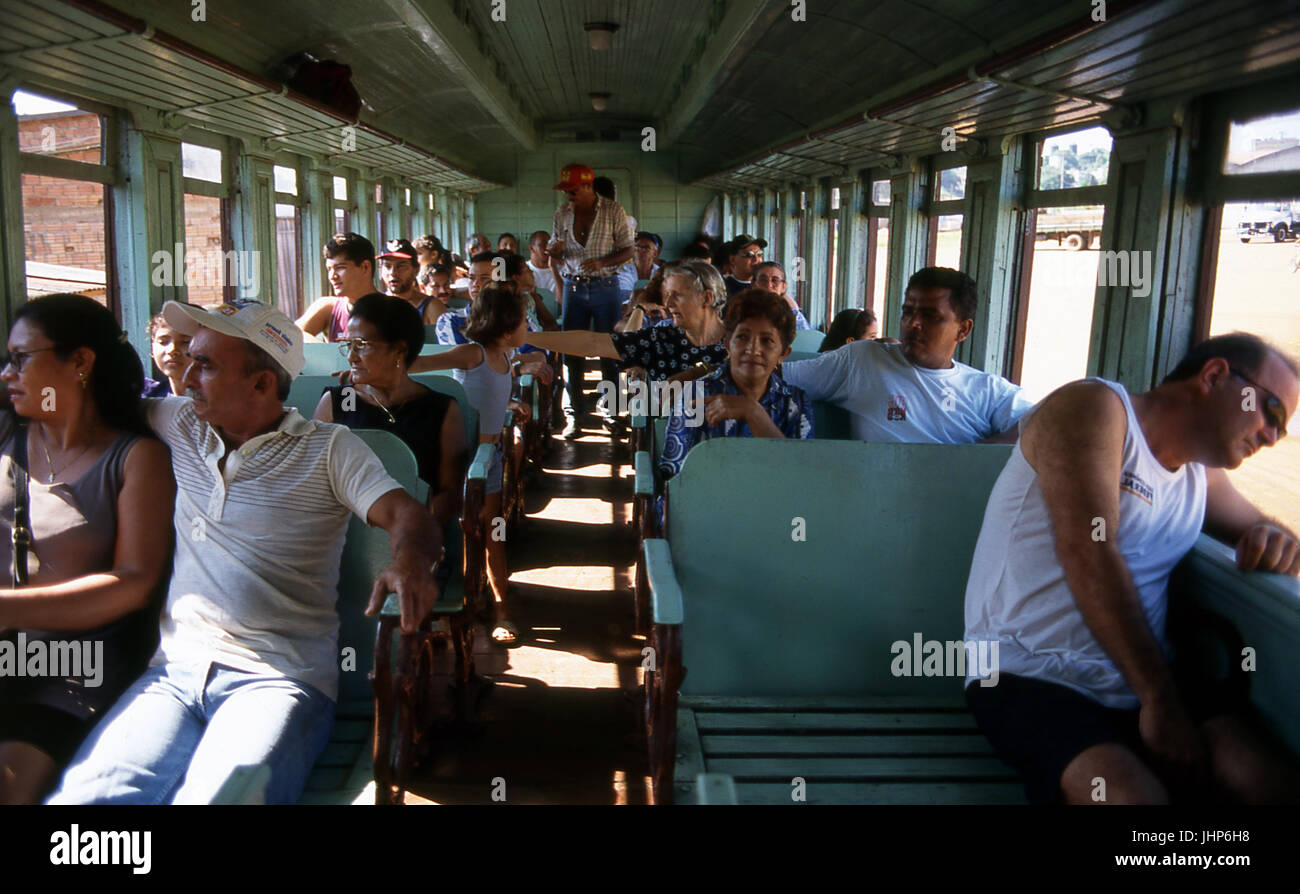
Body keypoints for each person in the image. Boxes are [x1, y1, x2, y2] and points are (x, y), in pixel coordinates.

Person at [47, 299, 442, 805]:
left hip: (278, 679)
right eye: (190, 358)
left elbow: (410, 517)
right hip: (171, 674)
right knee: (84, 802)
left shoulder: (329, 450)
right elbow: (77, 402)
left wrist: (407, 562)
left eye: (205, 365)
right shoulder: (177, 423)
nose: (186, 377)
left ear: (261, 384)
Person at [964, 332, 1300, 805]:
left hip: (1145, 673)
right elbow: (1089, 552)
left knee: (1266, 782)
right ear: (1215, 375)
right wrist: (1159, 700)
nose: (1271, 436)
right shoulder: (1093, 408)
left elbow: (1270, 534)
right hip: (1029, 672)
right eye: (1272, 411)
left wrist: (1275, 539)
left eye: (1282, 430)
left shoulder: (1200, 475)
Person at [0, 294, 175, 804]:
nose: (8, 373)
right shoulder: (8, 432)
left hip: (71, 666)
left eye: (20, 358)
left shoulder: (134, 458)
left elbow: (135, 582)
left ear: (79, 361)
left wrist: (7, 608)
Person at [405, 286, 531, 646]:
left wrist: (510, 400)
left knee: (493, 532)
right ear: (507, 328)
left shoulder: (505, 356)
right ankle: (442, 604)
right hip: (457, 457)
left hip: (488, 460)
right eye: (524, 322)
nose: (527, 328)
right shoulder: (472, 353)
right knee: (447, 529)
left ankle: (500, 608)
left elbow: (489, 394)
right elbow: (421, 365)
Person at [779, 267, 1030, 444]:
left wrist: (974, 456)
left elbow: (1045, 424)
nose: (914, 324)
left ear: (963, 330)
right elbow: (775, 378)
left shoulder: (988, 391)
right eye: (908, 312)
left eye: (931, 316)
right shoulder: (864, 360)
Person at [312, 294, 466, 547]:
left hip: (418, 539)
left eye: (361, 344)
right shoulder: (337, 403)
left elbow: (449, 493)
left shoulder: (442, 409)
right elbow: (316, 484)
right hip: (344, 541)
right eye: (348, 344)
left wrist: (411, 535)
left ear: (399, 350)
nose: (351, 357)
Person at [525, 260, 730, 438]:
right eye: (667, 295)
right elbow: (592, 343)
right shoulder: (660, 339)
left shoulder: (741, 341)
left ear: (707, 298)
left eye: (677, 296)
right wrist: (525, 338)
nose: (668, 303)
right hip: (670, 447)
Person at [659, 289, 814, 481]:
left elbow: (802, 476)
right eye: (742, 337)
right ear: (727, 345)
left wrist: (753, 413)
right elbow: (676, 481)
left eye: (767, 341)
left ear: (783, 354)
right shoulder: (697, 394)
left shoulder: (795, 402)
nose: (753, 349)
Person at [547, 163, 635, 437]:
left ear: (588, 187)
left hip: (606, 286)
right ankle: (576, 416)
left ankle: (611, 413)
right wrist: (556, 251)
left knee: (609, 350)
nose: (569, 197)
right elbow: (555, 252)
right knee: (572, 352)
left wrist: (602, 262)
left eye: (573, 191)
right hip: (574, 288)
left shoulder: (613, 212)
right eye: (566, 192)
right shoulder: (562, 214)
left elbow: (628, 250)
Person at [295, 233, 376, 342]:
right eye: (329, 269)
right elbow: (291, 335)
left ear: (365, 267)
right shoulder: (329, 308)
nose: (332, 276)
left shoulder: (393, 310)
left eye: (340, 268)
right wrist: (329, 353)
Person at [378, 238, 443, 326]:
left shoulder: (431, 308)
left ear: (416, 270)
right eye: (387, 266)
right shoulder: (374, 307)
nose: (393, 272)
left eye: (401, 266)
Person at [141, 308, 193, 396]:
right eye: (163, 342)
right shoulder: (148, 395)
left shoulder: (219, 401)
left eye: (185, 341)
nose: (172, 350)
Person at [751, 261, 812, 331]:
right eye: (763, 280)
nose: (769, 285)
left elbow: (807, 338)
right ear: (754, 284)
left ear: (784, 286)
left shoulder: (793, 316)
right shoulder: (742, 312)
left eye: (775, 280)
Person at [526, 230, 558, 297]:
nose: (548, 248)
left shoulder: (560, 269)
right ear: (532, 248)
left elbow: (564, 301)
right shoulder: (524, 270)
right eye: (543, 245)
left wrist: (553, 268)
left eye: (550, 244)